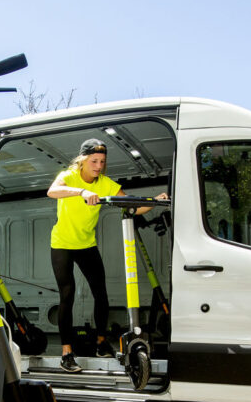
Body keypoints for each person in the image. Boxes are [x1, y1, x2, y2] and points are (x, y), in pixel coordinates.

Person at [47, 138, 164, 373]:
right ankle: (67, 354)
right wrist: (81, 191)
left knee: (100, 292)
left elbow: (129, 205)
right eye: (94, 161)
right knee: (67, 295)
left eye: (102, 161)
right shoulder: (68, 175)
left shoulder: (106, 183)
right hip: (61, 244)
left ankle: (101, 342)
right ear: (82, 160)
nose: (99, 166)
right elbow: (53, 191)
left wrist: (153, 202)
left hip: (86, 244)